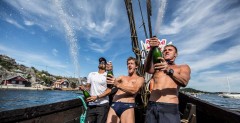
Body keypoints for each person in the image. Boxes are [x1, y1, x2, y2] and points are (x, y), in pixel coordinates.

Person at [144, 37, 191, 123]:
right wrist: (152, 49)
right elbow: (147, 69)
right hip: (152, 105)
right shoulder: (157, 67)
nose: (166, 51)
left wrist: (168, 69)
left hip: (169, 107)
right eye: (165, 50)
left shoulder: (183, 67)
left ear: (175, 54)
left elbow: (184, 82)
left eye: (170, 50)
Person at [106, 57, 144, 123]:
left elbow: (134, 90)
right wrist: (110, 71)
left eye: (132, 63)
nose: (129, 65)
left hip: (127, 105)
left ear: (136, 66)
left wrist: (118, 84)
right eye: (128, 64)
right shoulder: (122, 77)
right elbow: (110, 84)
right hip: (114, 104)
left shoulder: (140, 78)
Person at [79, 57, 112, 123]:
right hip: (91, 105)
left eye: (103, 62)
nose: (101, 63)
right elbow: (87, 88)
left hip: (102, 105)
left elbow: (109, 90)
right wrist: (83, 89)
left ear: (106, 65)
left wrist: (97, 97)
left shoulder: (108, 75)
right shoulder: (91, 74)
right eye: (100, 62)